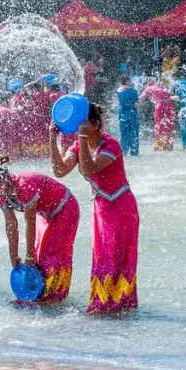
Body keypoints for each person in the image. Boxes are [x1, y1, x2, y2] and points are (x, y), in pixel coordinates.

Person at [50, 103, 138, 314]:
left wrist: (80, 138)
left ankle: (116, 304)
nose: (79, 127)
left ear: (96, 124)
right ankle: (103, 302)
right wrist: (52, 139)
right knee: (101, 254)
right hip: (100, 206)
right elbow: (59, 171)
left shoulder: (111, 145)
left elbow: (89, 169)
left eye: (83, 123)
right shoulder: (78, 146)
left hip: (121, 207)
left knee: (115, 255)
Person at [0, 159, 80, 304]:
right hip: (45, 213)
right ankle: (38, 293)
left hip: (65, 208)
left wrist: (28, 255)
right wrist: (13, 256)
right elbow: (10, 224)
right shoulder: (1, 194)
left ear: (2, 178)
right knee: (37, 253)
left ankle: (54, 297)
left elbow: (30, 224)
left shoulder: (24, 184)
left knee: (51, 253)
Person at [141, 81, 175, 151]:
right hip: (170, 105)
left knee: (158, 126)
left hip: (160, 105)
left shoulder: (149, 88)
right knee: (169, 125)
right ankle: (169, 145)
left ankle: (159, 146)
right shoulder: (162, 87)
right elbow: (171, 95)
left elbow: (141, 98)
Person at [115, 77, 140, 157]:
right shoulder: (134, 91)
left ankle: (123, 152)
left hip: (122, 115)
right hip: (132, 115)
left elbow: (121, 89)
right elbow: (137, 104)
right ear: (129, 82)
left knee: (124, 134)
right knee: (134, 133)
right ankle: (134, 151)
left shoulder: (119, 91)